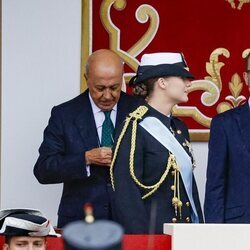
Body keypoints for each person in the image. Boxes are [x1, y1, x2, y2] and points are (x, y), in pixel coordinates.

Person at [33, 49, 142, 228]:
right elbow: (44, 170)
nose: (107, 96)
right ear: (86, 79)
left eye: (114, 88)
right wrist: (85, 159)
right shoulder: (64, 115)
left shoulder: (139, 110)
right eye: (100, 88)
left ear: (122, 79)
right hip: (80, 222)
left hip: (130, 222)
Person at [110, 52, 204, 234]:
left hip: (183, 235)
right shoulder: (134, 127)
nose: (188, 84)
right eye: (182, 77)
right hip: (154, 235)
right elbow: (126, 196)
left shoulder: (179, 128)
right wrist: (144, 243)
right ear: (162, 82)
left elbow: (189, 190)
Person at [204, 52, 250, 223]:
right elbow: (215, 186)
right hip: (240, 227)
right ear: (246, 77)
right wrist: (214, 235)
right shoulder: (224, 124)